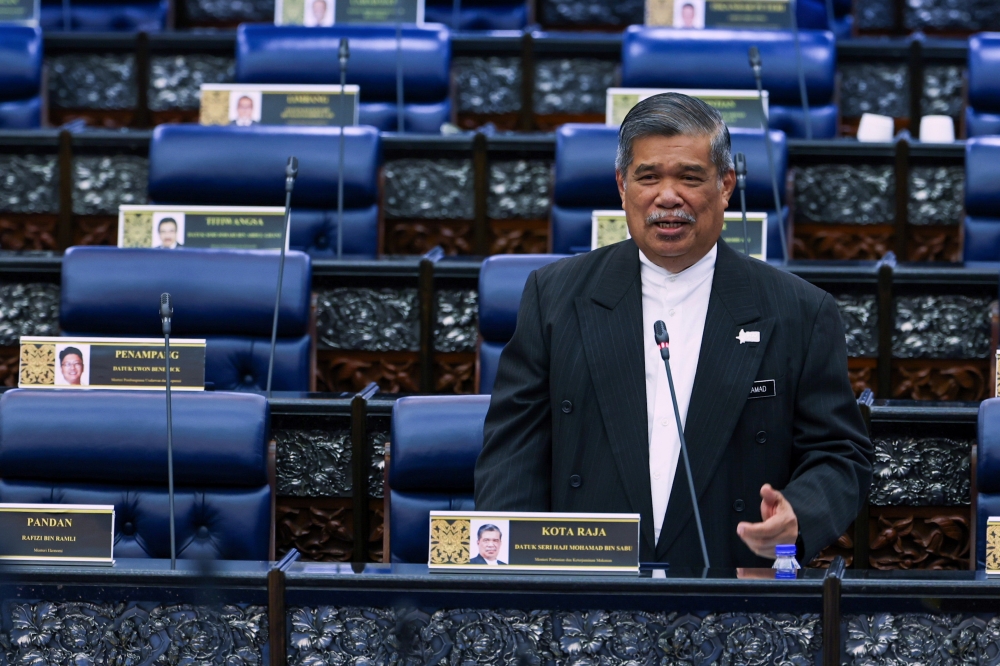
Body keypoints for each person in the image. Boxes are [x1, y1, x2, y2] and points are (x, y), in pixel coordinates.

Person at [474, 93, 873, 568]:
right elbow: (512, 454)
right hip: (585, 592)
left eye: (689, 177)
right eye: (648, 177)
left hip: (732, 592)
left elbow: (839, 453)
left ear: (726, 186)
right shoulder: (554, 296)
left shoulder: (799, 311)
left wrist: (798, 516)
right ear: (622, 186)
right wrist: (516, 585)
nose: (668, 196)